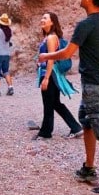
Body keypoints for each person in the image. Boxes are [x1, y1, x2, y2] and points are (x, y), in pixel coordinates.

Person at [39, 0, 99, 195]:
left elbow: (67, 53)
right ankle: (89, 168)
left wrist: (46, 56)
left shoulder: (86, 24)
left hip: (95, 85)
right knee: (86, 120)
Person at [33, 12, 83, 140]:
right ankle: (76, 128)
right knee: (54, 103)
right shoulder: (50, 37)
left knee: (48, 103)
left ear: (52, 22)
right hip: (51, 74)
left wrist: (46, 78)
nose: (42, 19)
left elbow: (51, 59)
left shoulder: (51, 38)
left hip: (50, 74)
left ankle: (46, 133)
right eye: (42, 17)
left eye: (45, 18)